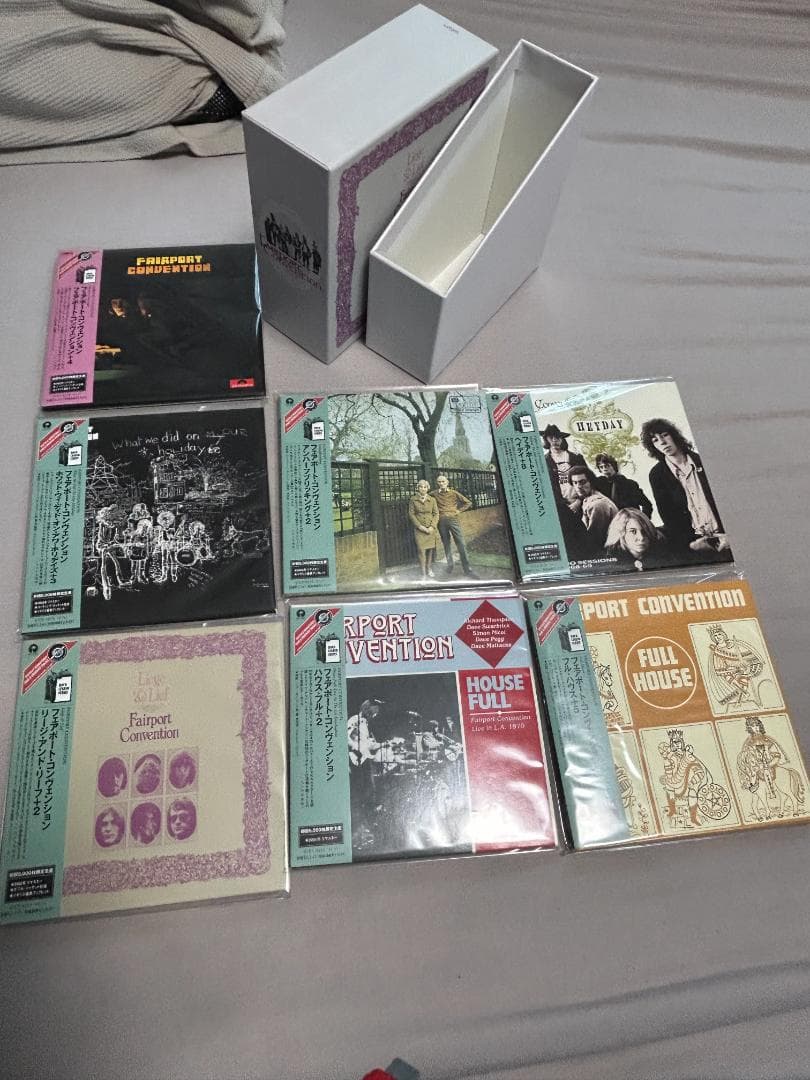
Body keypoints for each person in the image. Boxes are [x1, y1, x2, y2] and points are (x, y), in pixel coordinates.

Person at [640, 418, 730, 557]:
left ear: (674, 436)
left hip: (727, 537)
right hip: (694, 544)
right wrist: (689, 545)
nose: (662, 442)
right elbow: (668, 517)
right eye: (655, 440)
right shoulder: (657, 475)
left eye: (664, 435)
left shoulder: (704, 460)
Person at [604, 507, 680, 571]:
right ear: (620, 534)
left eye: (645, 531)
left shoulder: (665, 555)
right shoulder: (610, 562)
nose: (641, 537)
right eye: (633, 531)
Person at [430, 474, 473, 577]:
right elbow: (425, 499)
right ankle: (450, 566)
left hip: (453, 520)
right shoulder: (434, 494)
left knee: (460, 543)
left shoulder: (454, 493)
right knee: (446, 543)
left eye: (443, 481)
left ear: (447, 482)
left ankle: (467, 568)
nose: (441, 483)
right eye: (439, 482)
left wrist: (458, 511)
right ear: (437, 483)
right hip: (441, 522)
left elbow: (468, 502)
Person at [567, 465, 618, 549]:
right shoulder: (589, 497)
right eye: (575, 483)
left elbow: (594, 540)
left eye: (582, 482)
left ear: (591, 482)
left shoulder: (597, 505)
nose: (578, 486)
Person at [541, 424, 587, 503]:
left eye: (557, 437)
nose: (554, 440)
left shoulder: (577, 457)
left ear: (562, 439)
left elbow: (588, 480)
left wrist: (579, 501)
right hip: (559, 504)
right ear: (546, 440)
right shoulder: (544, 461)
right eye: (551, 437)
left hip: (581, 501)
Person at [408, 479, 439, 580]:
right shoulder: (413, 499)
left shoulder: (432, 500)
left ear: (427, 488)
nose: (423, 489)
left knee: (430, 550)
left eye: (425, 487)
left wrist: (432, 527)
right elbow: (411, 514)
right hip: (419, 530)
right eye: (421, 487)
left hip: (430, 529)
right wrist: (419, 526)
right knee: (421, 550)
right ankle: (423, 573)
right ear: (418, 488)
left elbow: (436, 514)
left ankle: (429, 569)